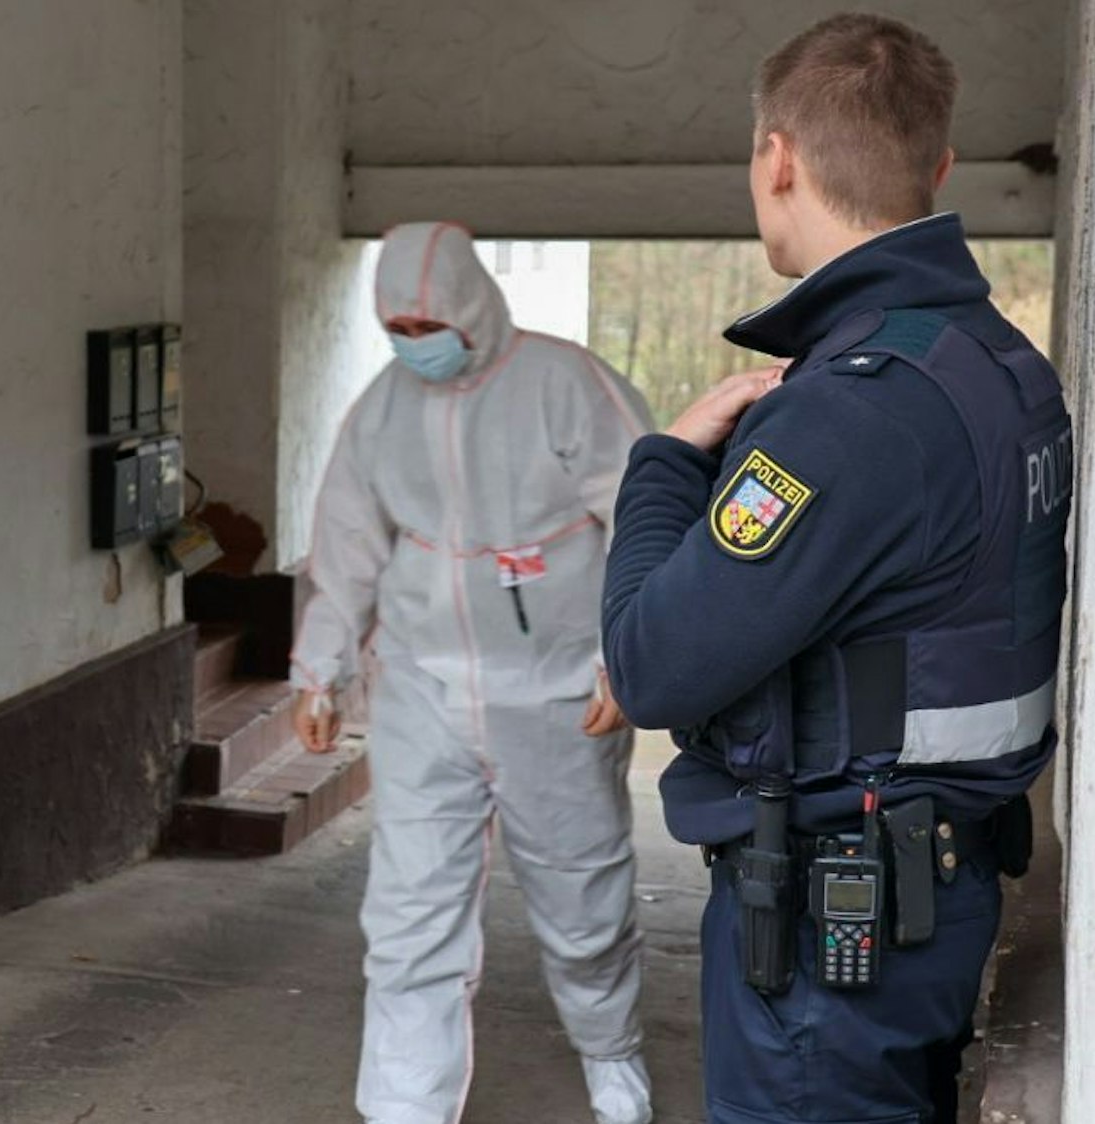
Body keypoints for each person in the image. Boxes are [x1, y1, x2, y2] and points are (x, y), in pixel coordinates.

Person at [601, 14, 1073, 1124]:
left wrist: (664, 465)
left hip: (826, 942)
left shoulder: (845, 413)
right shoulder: (1000, 365)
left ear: (776, 160)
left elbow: (651, 666)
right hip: (933, 891)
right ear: (938, 169)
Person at [290, 221, 657, 1124]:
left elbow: (645, 523)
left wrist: (629, 658)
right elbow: (346, 545)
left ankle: (612, 1055)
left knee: (583, 892)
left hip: (560, 686)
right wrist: (320, 669)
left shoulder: (567, 385)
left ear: (471, 307)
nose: (417, 346)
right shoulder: (381, 411)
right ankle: (403, 1105)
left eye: (429, 326)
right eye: (400, 331)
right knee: (410, 909)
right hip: (424, 688)